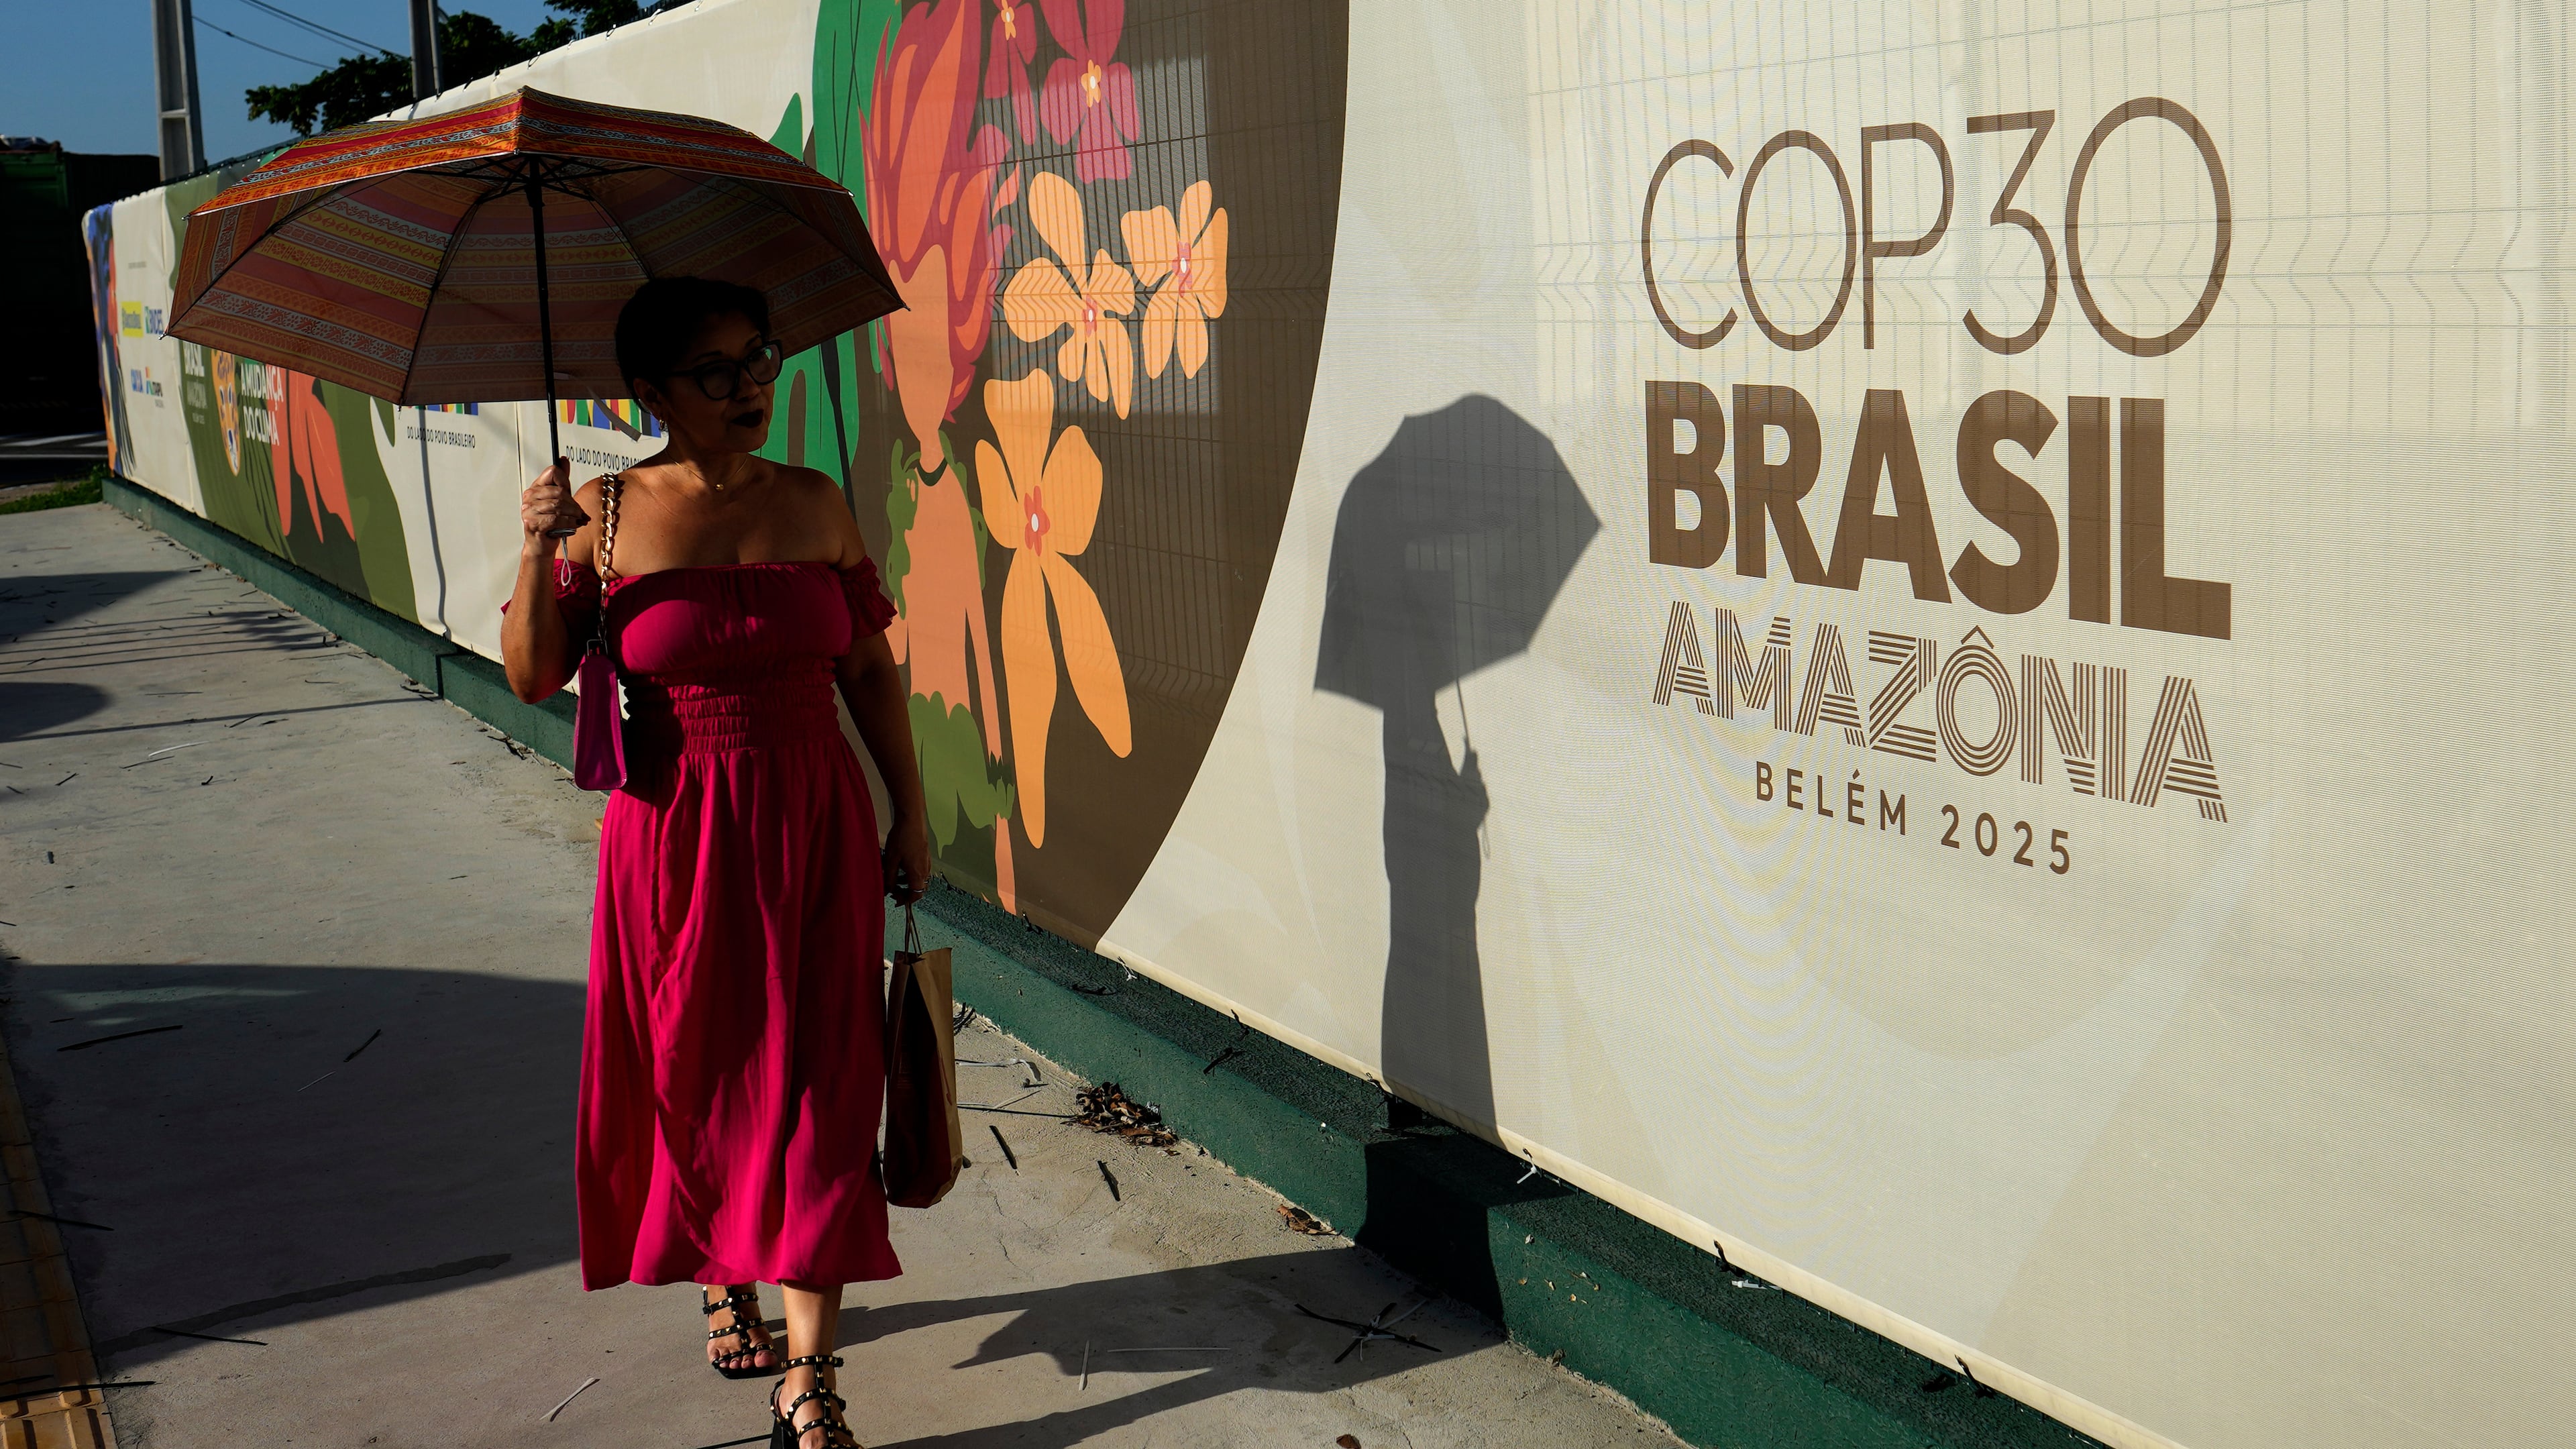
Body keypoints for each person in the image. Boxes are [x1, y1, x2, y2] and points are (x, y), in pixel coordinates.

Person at [501, 276, 930, 1449]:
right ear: (650, 393)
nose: (750, 388)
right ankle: (718, 1268)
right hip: (674, 827)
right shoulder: (606, 516)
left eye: (761, 357)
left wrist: (912, 810)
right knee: (695, 1062)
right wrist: (542, 547)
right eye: (716, 371)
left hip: (814, 819)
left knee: (820, 1077)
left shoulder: (817, 502)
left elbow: (870, 674)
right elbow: (535, 677)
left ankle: (812, 1380)